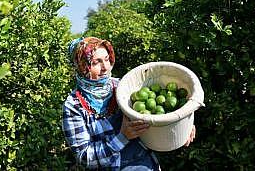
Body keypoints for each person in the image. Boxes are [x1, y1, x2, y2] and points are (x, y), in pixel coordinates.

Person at [62, 36, 196, 170]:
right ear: (82, 66)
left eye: (107, 59)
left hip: (147, 165)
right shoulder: (74, 106)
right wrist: (123, 137)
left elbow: (153, 116)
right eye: (96, 62)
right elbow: (85, 158)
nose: (105, 67)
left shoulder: (121, 87)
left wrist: (182, 125)